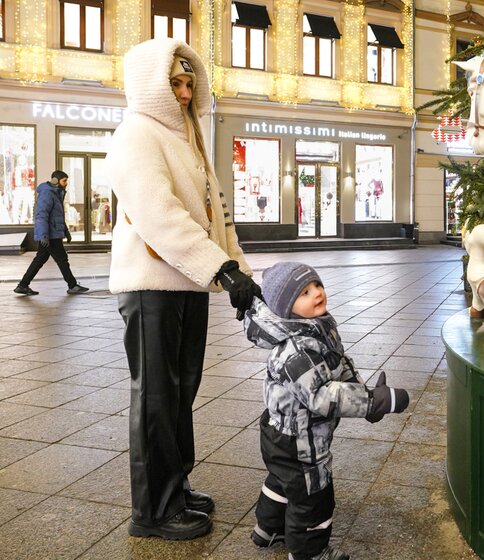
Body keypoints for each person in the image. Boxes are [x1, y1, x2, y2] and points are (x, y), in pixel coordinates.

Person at [105, 38, 260, 541]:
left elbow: (216, 216)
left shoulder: (189, 137)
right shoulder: (136, 134)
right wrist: (221, 268)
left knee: (179, 393)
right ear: (152, 85)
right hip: (151, 286)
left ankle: (176, 484)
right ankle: (152, 510)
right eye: (174, 83)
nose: (186, 92)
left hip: (186, 283)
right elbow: (159, 216)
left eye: (190, 82)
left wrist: (238, 269)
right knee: (155, 397)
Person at [244, 262, 410, 560]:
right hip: (299, 440)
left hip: (282, 431)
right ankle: (310, 553)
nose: (317, 294)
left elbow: (338, 365)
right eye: (304, 292)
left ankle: (268, 529)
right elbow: (321, 396)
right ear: (286, 307)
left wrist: (362, 391)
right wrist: (374, 400)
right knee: (313, 497)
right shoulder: (296, 350)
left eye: (317, 285)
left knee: (283, 481)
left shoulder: (317, 328)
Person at [13, 170, 88, 296]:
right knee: (62, 259)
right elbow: (42, 215)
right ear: (55, 180)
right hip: (50, 235)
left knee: (40, 259)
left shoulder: (55, 193)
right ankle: (72, 285)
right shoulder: (47, 193)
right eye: (64, 181)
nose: (66, 183)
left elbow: (57, 216)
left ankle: (23, 285)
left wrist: (66, 231)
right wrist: (43, 236)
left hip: (52, 234)